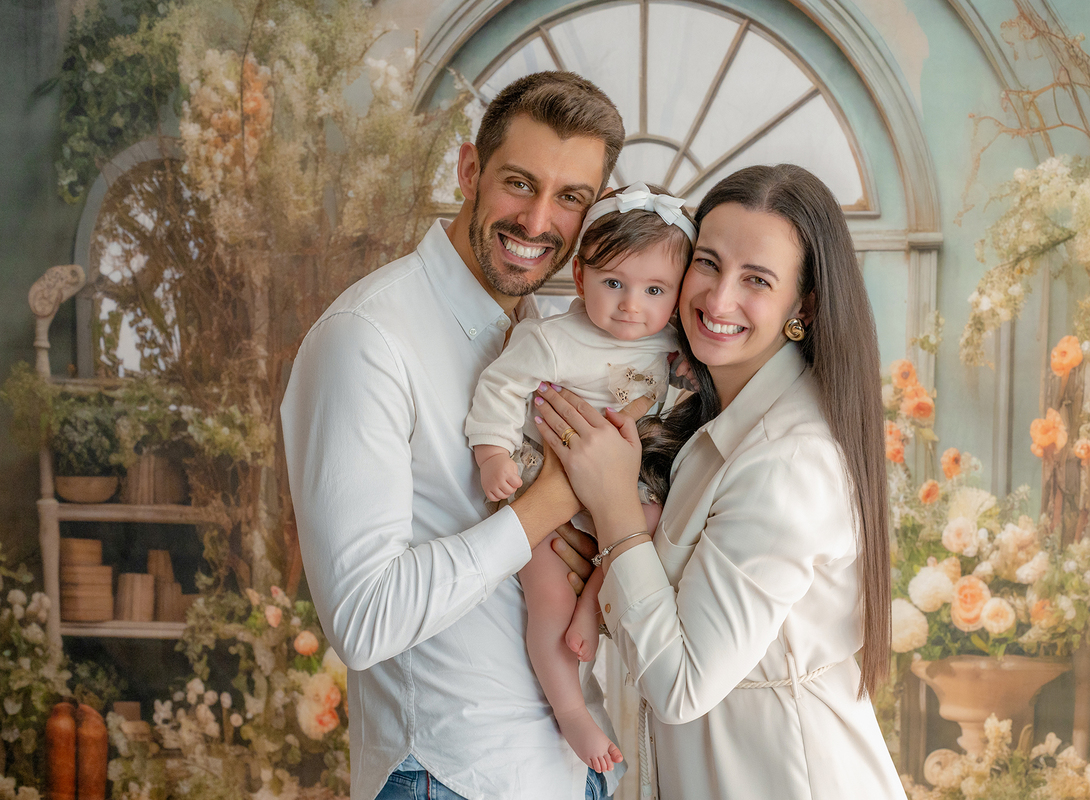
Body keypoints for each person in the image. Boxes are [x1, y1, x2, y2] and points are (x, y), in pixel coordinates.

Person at [280, 72, 639, 800]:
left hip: (570, 773)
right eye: (519, 183)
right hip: (451, 775)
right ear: (470, 170)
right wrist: (545, 502)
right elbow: (362, 619)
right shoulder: (368, 339)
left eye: (570, 197)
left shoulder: (544, 333)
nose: (538, 221)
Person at [532, 164, 907, 799]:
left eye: (756, 280)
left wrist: (616, 509)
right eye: (707, 263)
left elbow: (680, 686)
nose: (718, 298)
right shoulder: (711, 424)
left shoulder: (787, 461)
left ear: (803, 307)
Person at [464, 182, 695, 772]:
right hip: (548, 484)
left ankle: (594, 597)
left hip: (624, 487)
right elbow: (499, 387)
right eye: (613, 283)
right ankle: (571, 712)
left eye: (654, 290)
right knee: (544, 596)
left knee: (657, 520)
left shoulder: (672, 346)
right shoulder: (551, 338)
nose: (630, 306)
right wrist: (494, 455)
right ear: (582, 273)